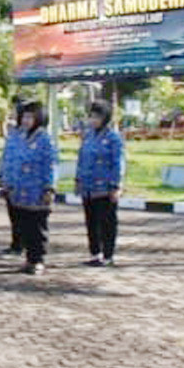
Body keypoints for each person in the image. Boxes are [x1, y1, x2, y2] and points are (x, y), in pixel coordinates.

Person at [0, 101, 57, 274]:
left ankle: (38, 259)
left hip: (37, 191)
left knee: (37, 227)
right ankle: (29, 259)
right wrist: (5, 180)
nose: (26, 120)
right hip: (18, 190)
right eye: (24, 116)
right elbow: (9, 160)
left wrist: (49, 187)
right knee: (23, 225)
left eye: (30, 117)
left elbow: (51, 165)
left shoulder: (45, 139)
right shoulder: (18, 136)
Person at [76, 100, 125, 267]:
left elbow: (118, 162)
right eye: (91, 116)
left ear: (106, 118)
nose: (93, 120)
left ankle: (108, 255)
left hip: (105, 187)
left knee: (107, 222)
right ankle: (95, 253)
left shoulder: (113, 138)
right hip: (88, 187)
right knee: (91, 222)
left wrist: (115, 185)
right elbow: (81, 158)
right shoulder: (88, 136)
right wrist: (78, 180)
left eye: (97, 117)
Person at [0, 98, 26, 254]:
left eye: (15, 111)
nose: (12, 114)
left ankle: (23, 243)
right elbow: (6, 155)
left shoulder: (28, 134)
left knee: (22, 215)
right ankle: (16, 243)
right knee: (13, 214)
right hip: (10, 179)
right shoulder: (13, 133)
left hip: (22, 181)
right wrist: (2, 174)